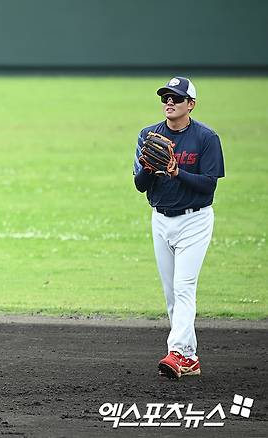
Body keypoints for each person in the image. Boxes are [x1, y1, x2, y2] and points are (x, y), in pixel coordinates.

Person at [133, 77, 225, 379]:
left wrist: (176, 172)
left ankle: (176, 352)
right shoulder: (149, 135)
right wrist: (147, 168)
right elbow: (140, 186)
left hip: (195, 220)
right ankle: (190, 357)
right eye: (165, 98)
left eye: (175, 98)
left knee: (184, 287)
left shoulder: (206, 138)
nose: (168, 102)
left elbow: (209, 186)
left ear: (191, 104)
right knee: (172, 294)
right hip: (160, 219)